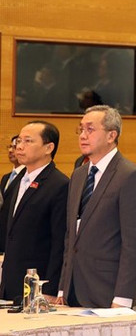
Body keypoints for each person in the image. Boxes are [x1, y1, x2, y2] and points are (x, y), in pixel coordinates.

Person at [58, 105, 136, 308]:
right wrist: (62, 288)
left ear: (111, 135)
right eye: (80, 129)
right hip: (72, 291)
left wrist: (123, 297)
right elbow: (71, 236)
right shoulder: (79, 175)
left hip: (107, 292)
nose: (83, 135)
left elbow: (133, 244)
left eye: (90, 129)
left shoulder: (131, 176)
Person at [0, 121, 68, 303]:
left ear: (48, 147)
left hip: (38, 286)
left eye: (28, 141)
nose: (19, 147)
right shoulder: (17, 180)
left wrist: (51, 289)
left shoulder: (59, 184)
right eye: (19, 141)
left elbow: (59, 241)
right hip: (10, 283)